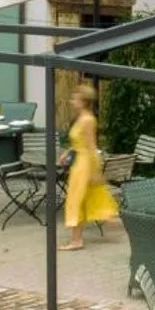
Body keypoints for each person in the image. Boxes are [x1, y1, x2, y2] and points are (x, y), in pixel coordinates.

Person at [60, 83, 117, 251]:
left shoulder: (88, 120)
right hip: (78, 162)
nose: (71, 101)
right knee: (80, 199)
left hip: (84, 165)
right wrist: (67, 152)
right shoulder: (80, 118)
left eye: (75, 99)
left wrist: (96, 171)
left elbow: (91, 147)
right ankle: (79, 237)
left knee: (76, 199)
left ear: (84, 101)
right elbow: (78, 142)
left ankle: (78, 239)